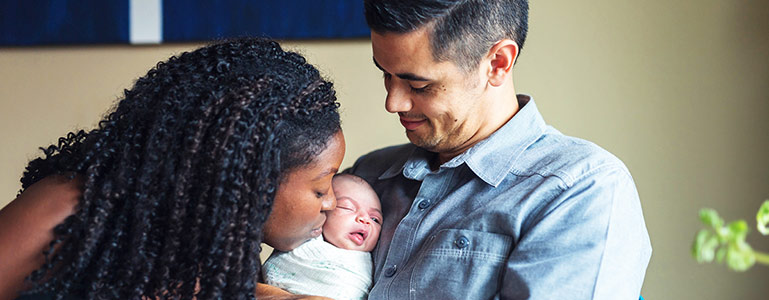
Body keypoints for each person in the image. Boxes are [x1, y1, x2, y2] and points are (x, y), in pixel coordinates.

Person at [345, 1, 653, 299]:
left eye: (419, 86)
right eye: (386, 75)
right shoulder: (368, 176)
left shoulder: (581, 189)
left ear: (497, 63)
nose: (393, 103)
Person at [0, 38, 345, 300]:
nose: (331, 201)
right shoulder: (70, 209)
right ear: (251, 181)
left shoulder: (214, 248)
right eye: (320, 187)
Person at [262, 174, 382, 300]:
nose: (365, 219)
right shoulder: (302, 238)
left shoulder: (371, 264)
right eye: (347, 207)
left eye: (375, 219)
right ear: (322, 210)